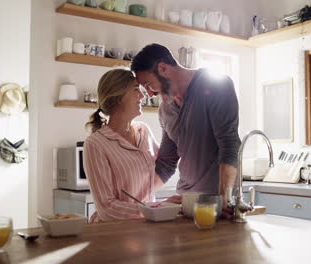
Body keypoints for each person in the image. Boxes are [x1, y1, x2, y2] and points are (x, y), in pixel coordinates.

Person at [131, 44, 241, 207]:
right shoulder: (165, 110)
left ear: (162, 68)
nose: (150, 94)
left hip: (217, 201)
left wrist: (224, 199)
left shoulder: (217, 84)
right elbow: (167, 163)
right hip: (185, 202)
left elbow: (230, 145)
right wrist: (137, 199)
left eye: (148, 85)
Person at [83, 68, 160, 222]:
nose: (142, 95)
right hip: (113, 235)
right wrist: (153, 210)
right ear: (118, 97)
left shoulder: (144, 132)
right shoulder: (96, 144)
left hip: (145, 230)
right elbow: (107, 209)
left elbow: (165, 167)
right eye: (136, 89)